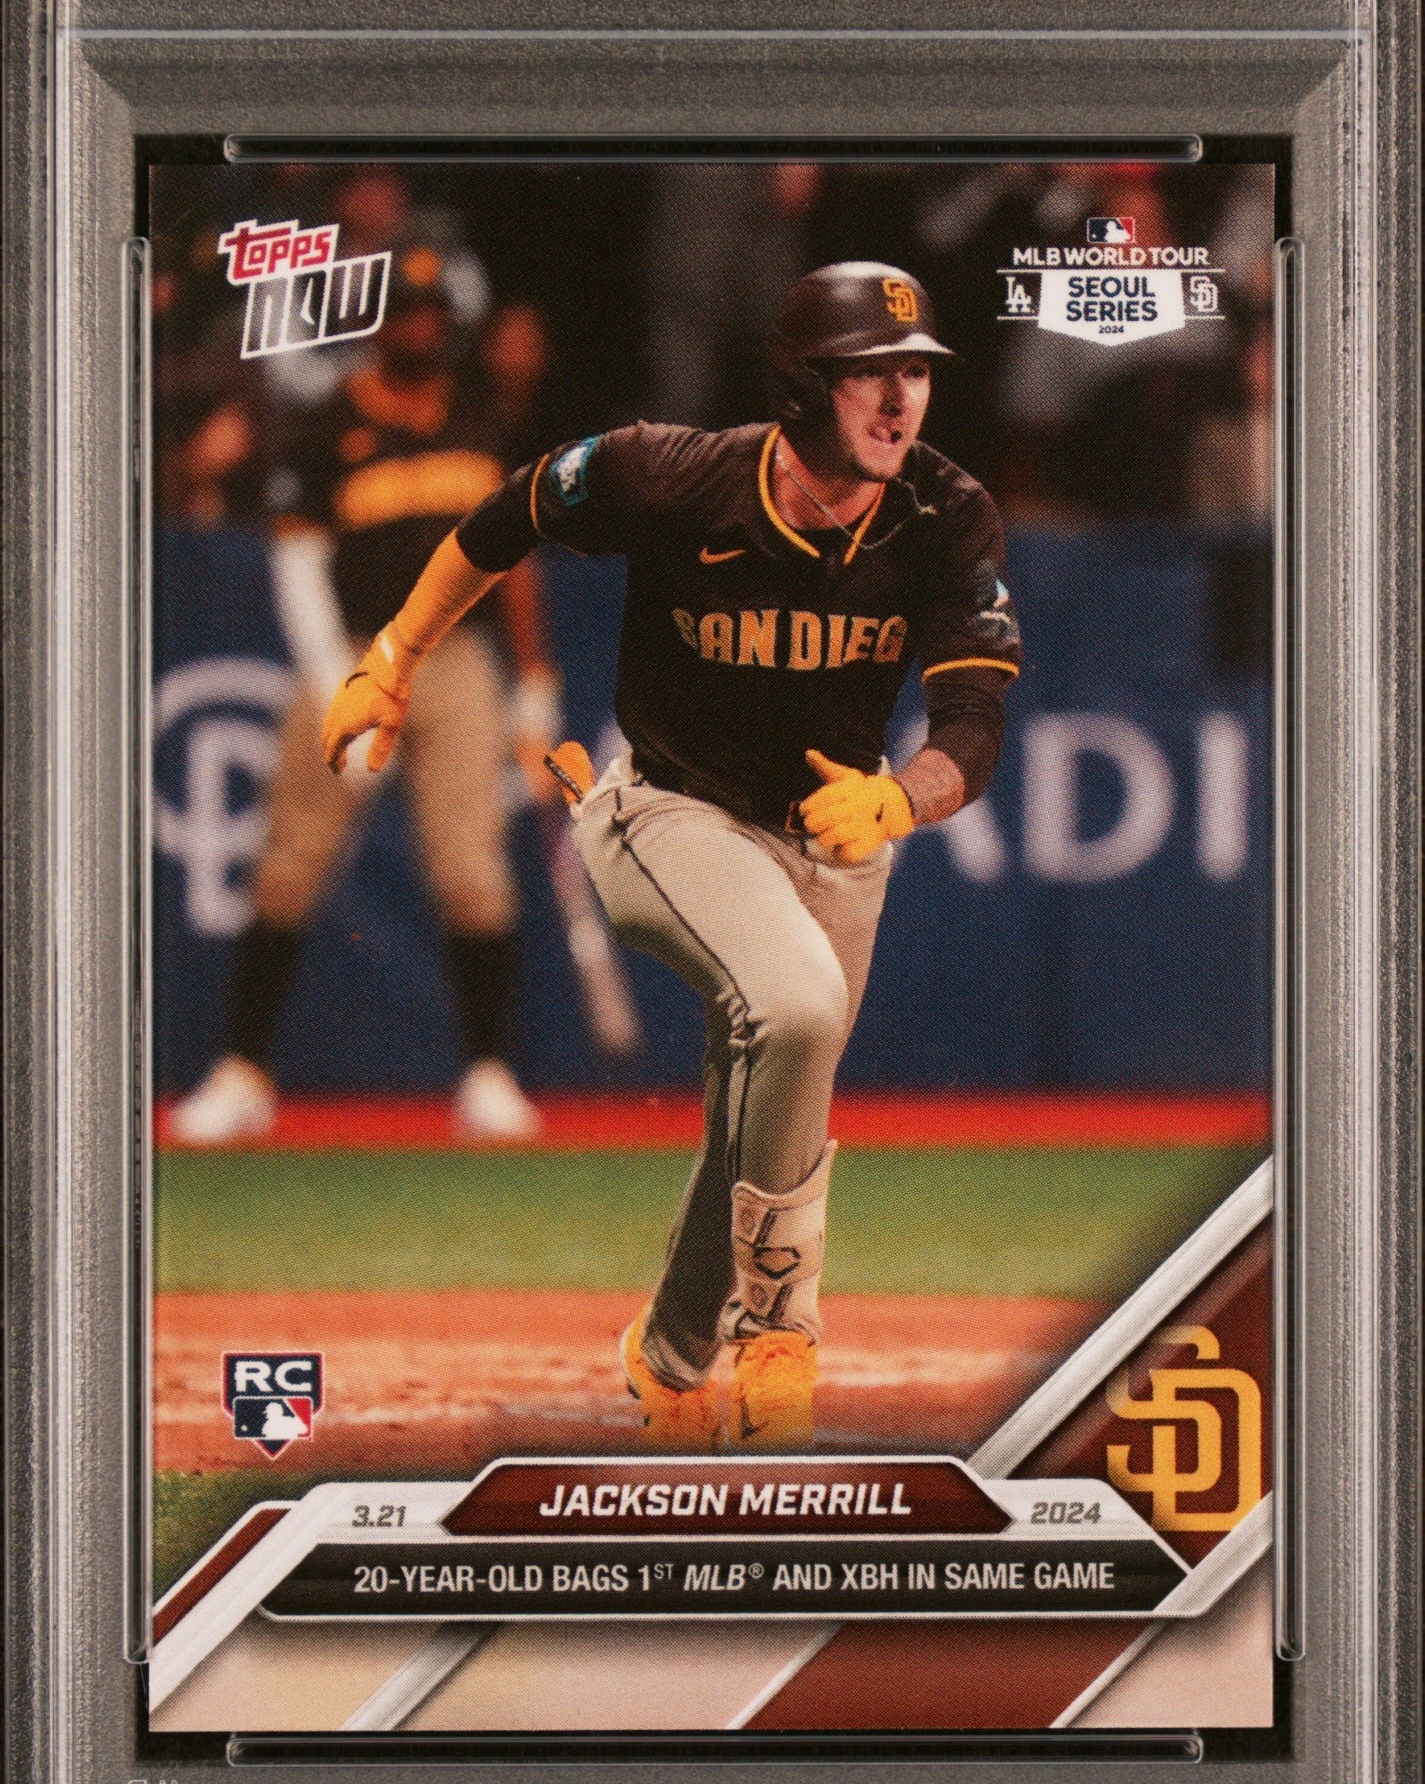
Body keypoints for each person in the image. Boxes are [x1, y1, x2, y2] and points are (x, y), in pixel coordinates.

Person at [320, 263, 1022, 1447]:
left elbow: (974, 721)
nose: (902, 397)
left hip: (838, 837)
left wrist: (904, 800)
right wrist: (395, 652)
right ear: (802, 388)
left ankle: (671, 1353)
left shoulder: (946, 512)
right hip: (665, 814)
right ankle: (781, 1330)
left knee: (762, 1110)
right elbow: (509, 514)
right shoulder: (674, 473)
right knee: (798, 1009)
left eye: (916, 371)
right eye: (871, 374)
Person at [171, 266, 561, 1148]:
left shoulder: (480, 416)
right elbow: (298, 556)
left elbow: (517, 558)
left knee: (472, 872)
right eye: (406, 312)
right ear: (381, 323)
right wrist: (332, 676)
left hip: (457, 657)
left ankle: (488, 1075)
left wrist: (537, 680)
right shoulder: (329, 420)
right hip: (354, 647)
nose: (420, 327)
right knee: (288, 862)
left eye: (432, 312)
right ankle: (242, 1072)